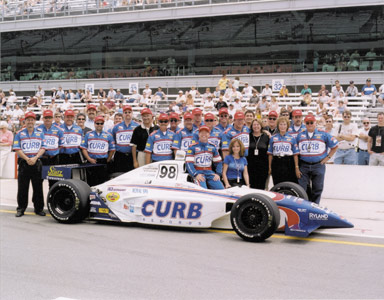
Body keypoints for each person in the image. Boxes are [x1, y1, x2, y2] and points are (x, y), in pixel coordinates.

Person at [296, 115, 338, 204]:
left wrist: (328, 158)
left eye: (312, 122)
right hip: (304, 165)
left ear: (315, 123)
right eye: (307, 123)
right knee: (302, 188)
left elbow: (335, 146)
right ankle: (304, 205)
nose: (310, 124)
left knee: (318, 187)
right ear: (305, 124)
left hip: (318, 165)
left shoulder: (323, 134)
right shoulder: (300, 135)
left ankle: (315, 206)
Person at [13, 112, 47, 217]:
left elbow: (43, 147)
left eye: (32, 120)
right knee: (23, 187)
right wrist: (27, 159)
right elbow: (17, 149)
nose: (30, 122)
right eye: (28, 120)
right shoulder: (19, 133)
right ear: (25, 121)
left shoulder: (40, 133)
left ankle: (39, 208)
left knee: (38, 187)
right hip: (24, 162)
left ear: (35, 121)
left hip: (36, 162)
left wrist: (35, 157)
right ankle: (21, 209)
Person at [186, 125, 224, 190]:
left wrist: (218, 174)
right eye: (202, 133)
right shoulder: (192, 147)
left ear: (209, 134)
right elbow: (188, 163)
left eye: (206, 133)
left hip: (209, 172)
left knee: (221, 189)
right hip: (198, 172)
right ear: (198, 134)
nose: (204, 134)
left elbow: (219, 162)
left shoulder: (213, 147)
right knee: (203, 190)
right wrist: (195, 174)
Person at [81, 115, 115, 186]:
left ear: (103, 124)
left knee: (103, 183)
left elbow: (112, 149)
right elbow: (83, 148)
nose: (99, 125)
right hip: (91, 161)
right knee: (91, 182)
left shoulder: (108, 135)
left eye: (101, 123)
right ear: (94, 124)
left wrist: (108, 159)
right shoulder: (88, 134)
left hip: (103, 161)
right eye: (97, 123)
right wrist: (89, 159)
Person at [36, 110, 64, 189]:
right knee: (38, 181)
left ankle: (52, 200)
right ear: (43, 118)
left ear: (52, 119)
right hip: (41, 159)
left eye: (49, 118)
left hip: (53, 159)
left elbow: (60, 145)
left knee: (53, 182)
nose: (47, 119)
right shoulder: (37, 129)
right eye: (46, 118)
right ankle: (38, 201)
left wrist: (53, 151)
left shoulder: (59, 130)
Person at [268, 117, 300, 185]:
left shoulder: (292, 138)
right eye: (281, 124)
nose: (282, 126)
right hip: (277, 161)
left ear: (287, 126)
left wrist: (296, 167)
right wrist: (270, 167)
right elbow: (270, 154)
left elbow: (295, 154)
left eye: (284, 124)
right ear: (278, 126)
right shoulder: (273, 138)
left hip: (288, 161)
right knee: (277, 183)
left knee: (289, 183)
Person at [112, 105, 139, 172]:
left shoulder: (137, 126)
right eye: (125, 112)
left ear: (132, 113)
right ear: (123, 114)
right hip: (120, 155)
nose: (127, 114)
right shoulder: (116, 127)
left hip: (133, 156)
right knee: (119, 175)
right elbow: (114, 140)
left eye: (129, 112)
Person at [247, 119, 269, 189]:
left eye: (258, 124)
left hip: (263, 166)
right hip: (250, 165)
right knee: (251, 186)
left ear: (261, 126)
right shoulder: (248, 136)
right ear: (252, 126)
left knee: (261, 186)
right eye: (254, 125)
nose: (256, 126)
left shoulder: (266, 136)